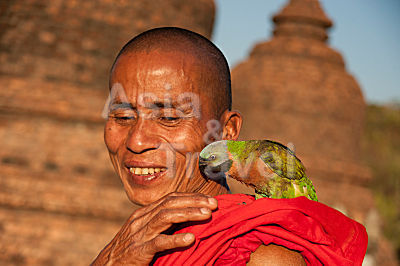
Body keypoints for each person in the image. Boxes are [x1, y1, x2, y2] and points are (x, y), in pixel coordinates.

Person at [92, 27, 367, 265]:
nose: (136, 141)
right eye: (123, 117)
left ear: (226, 131)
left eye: (168, 118)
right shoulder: (135, 246)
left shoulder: (260, 255)